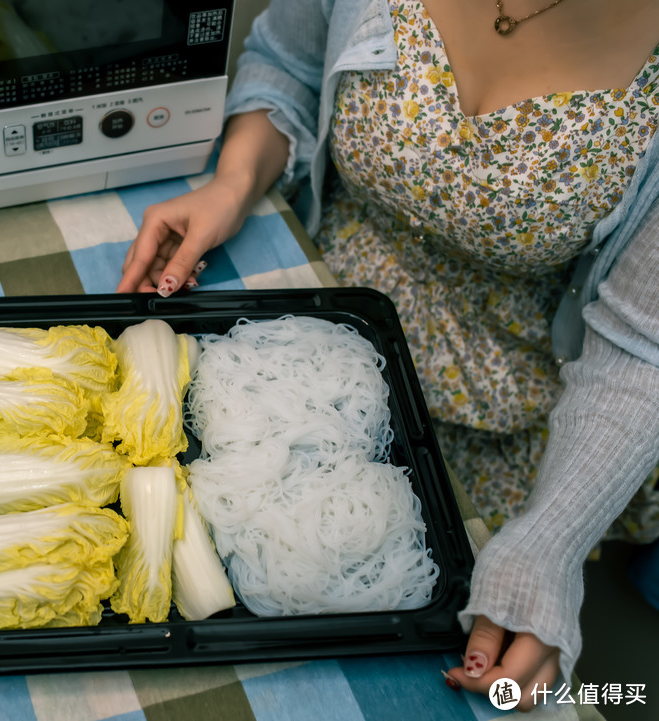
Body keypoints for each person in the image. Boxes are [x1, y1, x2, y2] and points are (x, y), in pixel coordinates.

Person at [118, 0, 659, 711]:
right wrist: (235, 181)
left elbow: (637, 346)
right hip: (307, 314)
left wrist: (548, 543)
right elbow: (288, 63)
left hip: (503, 423)